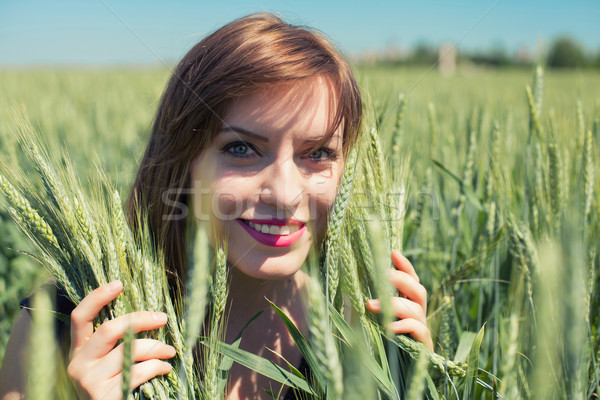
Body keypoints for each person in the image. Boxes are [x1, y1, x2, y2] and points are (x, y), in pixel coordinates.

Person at [0, 12, 432, 400]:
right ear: (183, 161)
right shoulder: (57, 327)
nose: (284, 194)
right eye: (241, 148)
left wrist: (414, 382)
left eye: (318, 153)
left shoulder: (369, 337)